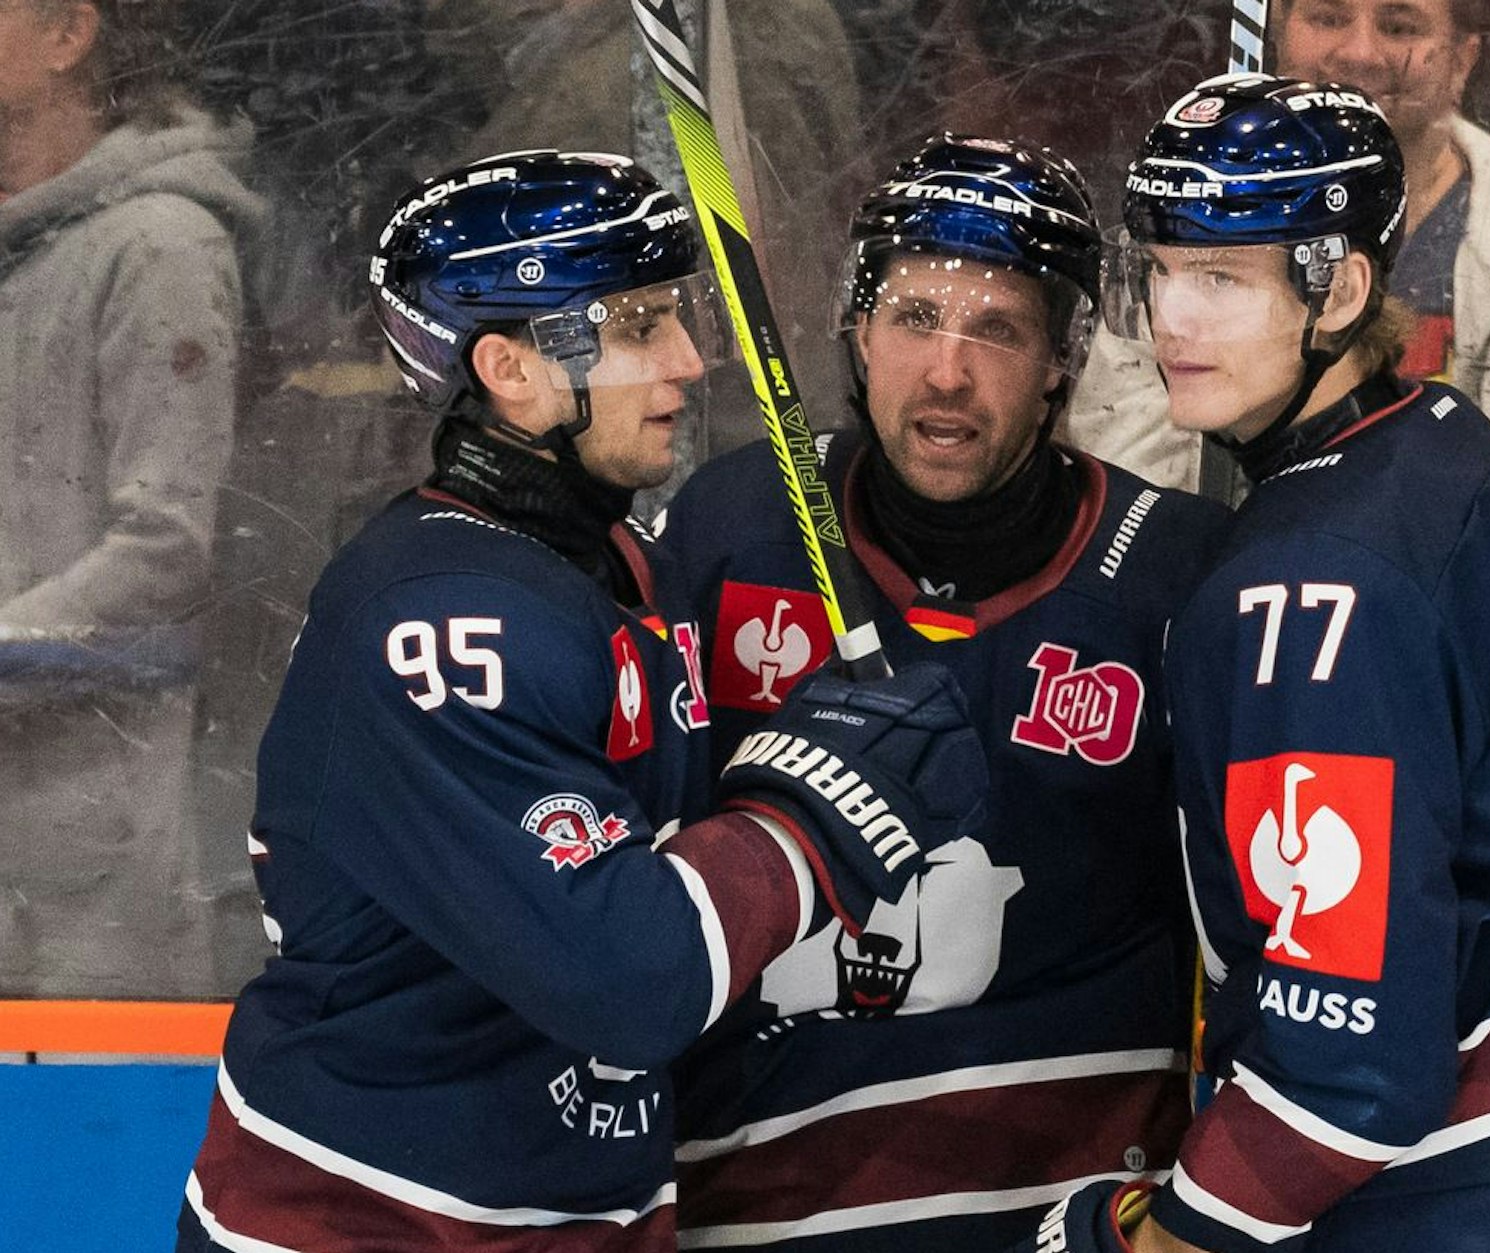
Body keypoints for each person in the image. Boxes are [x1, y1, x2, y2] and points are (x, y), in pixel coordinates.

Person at [175, 149, 988, 1252]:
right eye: (641, 326)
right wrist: (820, 809)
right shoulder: (441, 621)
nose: (691, 361)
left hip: (560, 1210)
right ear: (512, 368)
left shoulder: (610, 566)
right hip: (369, 1221)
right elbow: (633, 976)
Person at [1019, 74, 1490, 1253]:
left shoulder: (1312, 580)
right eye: (1156, 267)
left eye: (1220, 277)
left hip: (1436, 1189)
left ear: (1342, 288)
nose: (1168, 321)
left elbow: (1344, 1056)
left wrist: (1152, 1236)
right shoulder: (1454, 448)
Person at [661, 134, 1230, 1250]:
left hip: (1057, 1208)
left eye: (999, 330)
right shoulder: (733, 528)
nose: (948, 373)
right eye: (915, 318)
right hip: (753, 1199)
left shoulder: (1175, 577)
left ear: (1065, 357)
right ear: (855, 328)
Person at [1068, 0, 1490, 615]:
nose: (1360, 52)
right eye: (1328, 18)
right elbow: (1126, 494)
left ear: (1461, 61)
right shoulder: (1184, 234)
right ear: (1278, 35)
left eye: (1400, 25)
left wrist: (1363, 583)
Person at [0, 0, 267, 997]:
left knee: (87, 1138)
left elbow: (163, 548)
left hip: (89, 864)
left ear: (70, 35)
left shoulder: (158, 247)